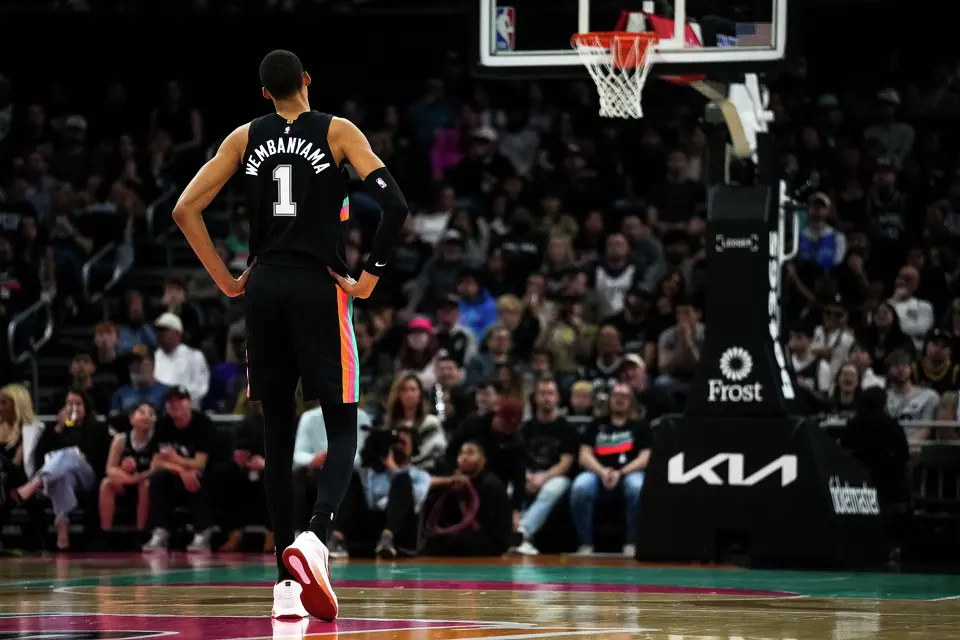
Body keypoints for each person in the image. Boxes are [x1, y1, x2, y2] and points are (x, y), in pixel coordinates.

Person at [171, 49, 408, 621]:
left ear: (263, 94)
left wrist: (228, 282)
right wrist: (369, 279)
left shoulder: (243, 138)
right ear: (307, 80)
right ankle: (317, 538)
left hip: (265, 288)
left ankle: (283, 584)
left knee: (277, 437)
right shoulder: (339, 131)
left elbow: (184, 210)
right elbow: (395, 206)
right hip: (319, 285)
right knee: (343, 421)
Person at [570, 383, 652, 557]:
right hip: (597, 472)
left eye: (624, 396)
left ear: (631, 401)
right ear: (609, 399)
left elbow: (645, 458)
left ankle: (631, 542)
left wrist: (620, 473)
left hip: (629, 473)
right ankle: (585, 544)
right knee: (580, 487)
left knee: (637, 487)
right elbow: (584, 455)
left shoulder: (640, 426)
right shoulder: (596, 424)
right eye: (616, 395)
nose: (619, 399)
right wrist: (602, 472)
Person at [99, 401, 157, 533]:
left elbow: (155, 471)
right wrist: (129, 477)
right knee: (106, 484)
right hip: (126, 482)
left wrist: (137, 478)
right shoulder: (121, 439)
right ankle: (105, 532)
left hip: (147, 485)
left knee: (146, 485)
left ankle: (141, 532)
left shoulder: (157, 440)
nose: (146, 416)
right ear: (132, 418)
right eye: (142, 412)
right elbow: (110, 469)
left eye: (151, 414)